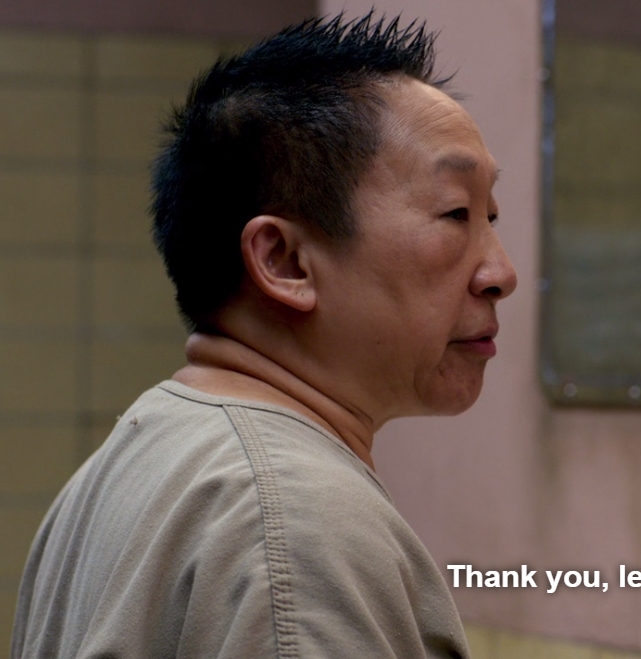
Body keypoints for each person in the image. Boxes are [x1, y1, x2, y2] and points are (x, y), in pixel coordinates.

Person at [11, 12, 515, 659]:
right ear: (284, 262)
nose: (501, 273)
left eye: (490, 216)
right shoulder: (296, 524)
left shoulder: (133, 459)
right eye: (455, 213)